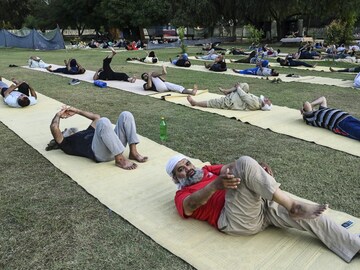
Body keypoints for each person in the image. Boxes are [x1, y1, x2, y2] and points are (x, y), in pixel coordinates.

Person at [165, 155, 360, 263]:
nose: (188, 168)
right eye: (180, 169)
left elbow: (231, 166)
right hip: (236, 220)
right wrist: (215, 186)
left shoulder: (207, 170)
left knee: (310, 216)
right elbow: (191, 206)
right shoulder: (182, 195)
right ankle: (292, 206)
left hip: (258, 205)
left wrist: (258, 170)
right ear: (176, 178)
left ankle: (353, 245)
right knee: (245, 163)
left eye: (187, 163)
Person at [50, 105, 148, 170]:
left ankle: (133, 152)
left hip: (114, 145)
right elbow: (54, 127)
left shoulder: (86, 131)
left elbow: (96, 117)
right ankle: (120, 159)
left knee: (126, 115)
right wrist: (58, 115)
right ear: (62, 135)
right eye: (64, 131)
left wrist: (77, 111)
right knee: (103, 122)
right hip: (101, 154)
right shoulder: (65, 143)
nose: (67, 129)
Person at [187, 82, 272, 111]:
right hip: (237, 97)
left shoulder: (256, 103)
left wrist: (238, 87)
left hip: (231, 101)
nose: (268, 99)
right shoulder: (258, 101)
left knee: (214, 102)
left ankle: (195, 103)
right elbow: (245, 94)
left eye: (268, 101)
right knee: (245, 85)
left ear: (264, 104)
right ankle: (227, 91)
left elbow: (244, 96)